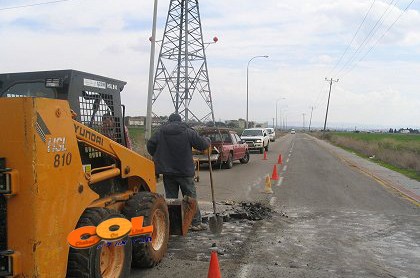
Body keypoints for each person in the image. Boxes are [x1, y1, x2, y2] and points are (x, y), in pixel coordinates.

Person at [147, 113, 210, 231]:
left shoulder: (161, 132)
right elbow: (202, 145)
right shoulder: (187, 131)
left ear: (169, 121)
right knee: (190, 197)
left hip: (167, 171)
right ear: (180, 121)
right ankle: (195, 223)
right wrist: (207, 140)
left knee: (171, 199)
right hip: (184, 171)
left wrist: (157, 155)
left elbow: (150, 144)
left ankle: (173, 225)